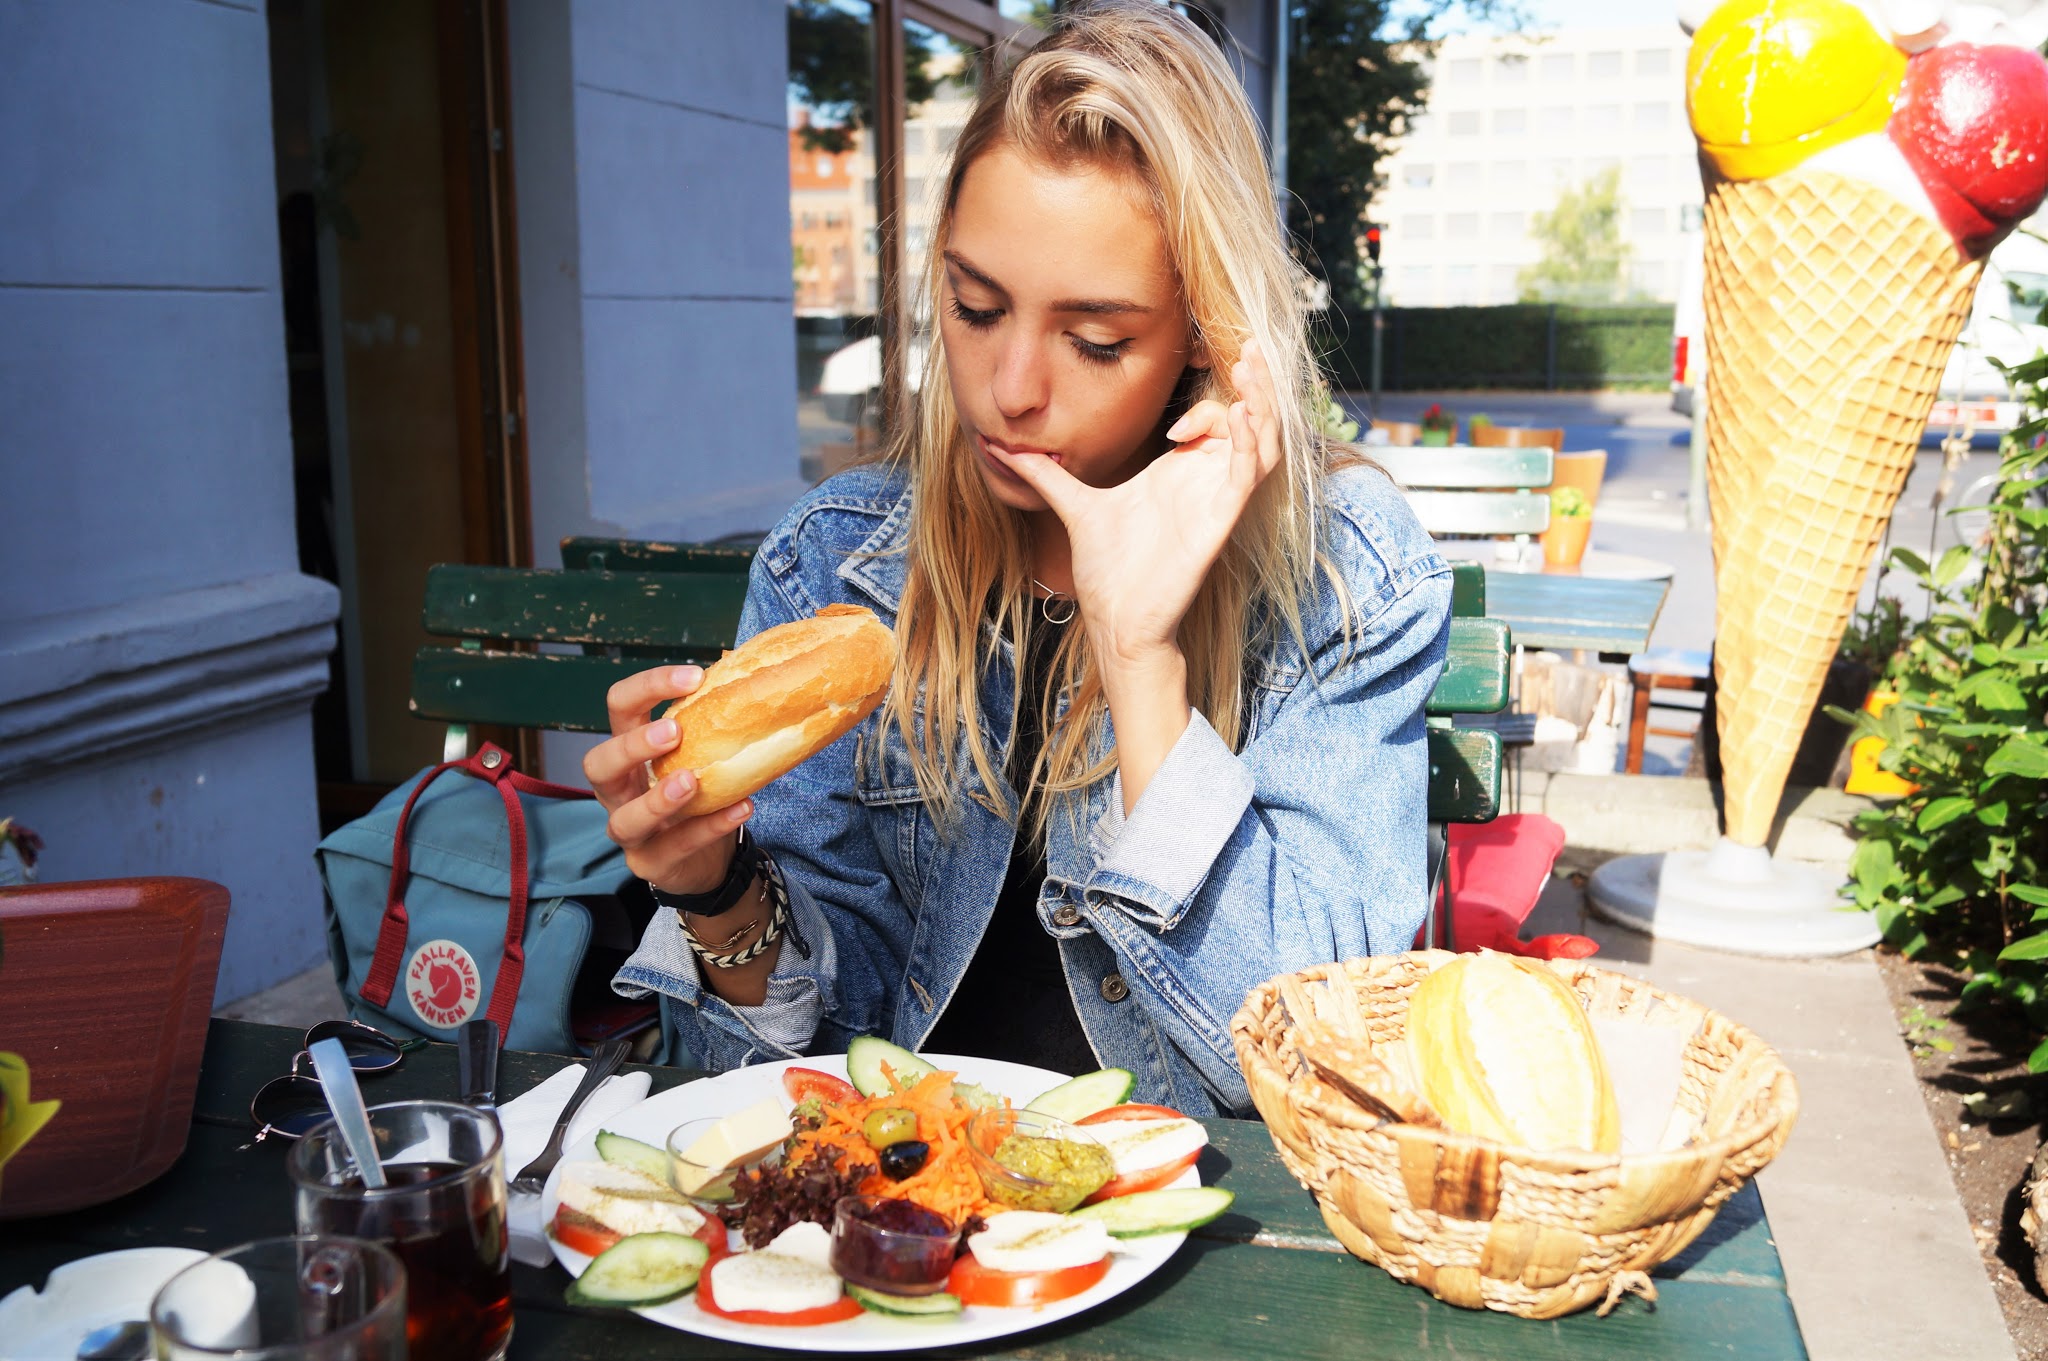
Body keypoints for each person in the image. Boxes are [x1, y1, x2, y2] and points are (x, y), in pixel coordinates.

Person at [587, 0, 1451, 1116]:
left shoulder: (1341, 578)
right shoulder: (840, 565)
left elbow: (1306, 1064)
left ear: (1207, 333)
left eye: (1095, 339)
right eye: (975, 305)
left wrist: (1141, 664)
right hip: (914, 1222)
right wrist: (712, 890)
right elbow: (782, 1075)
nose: (1009, 388)